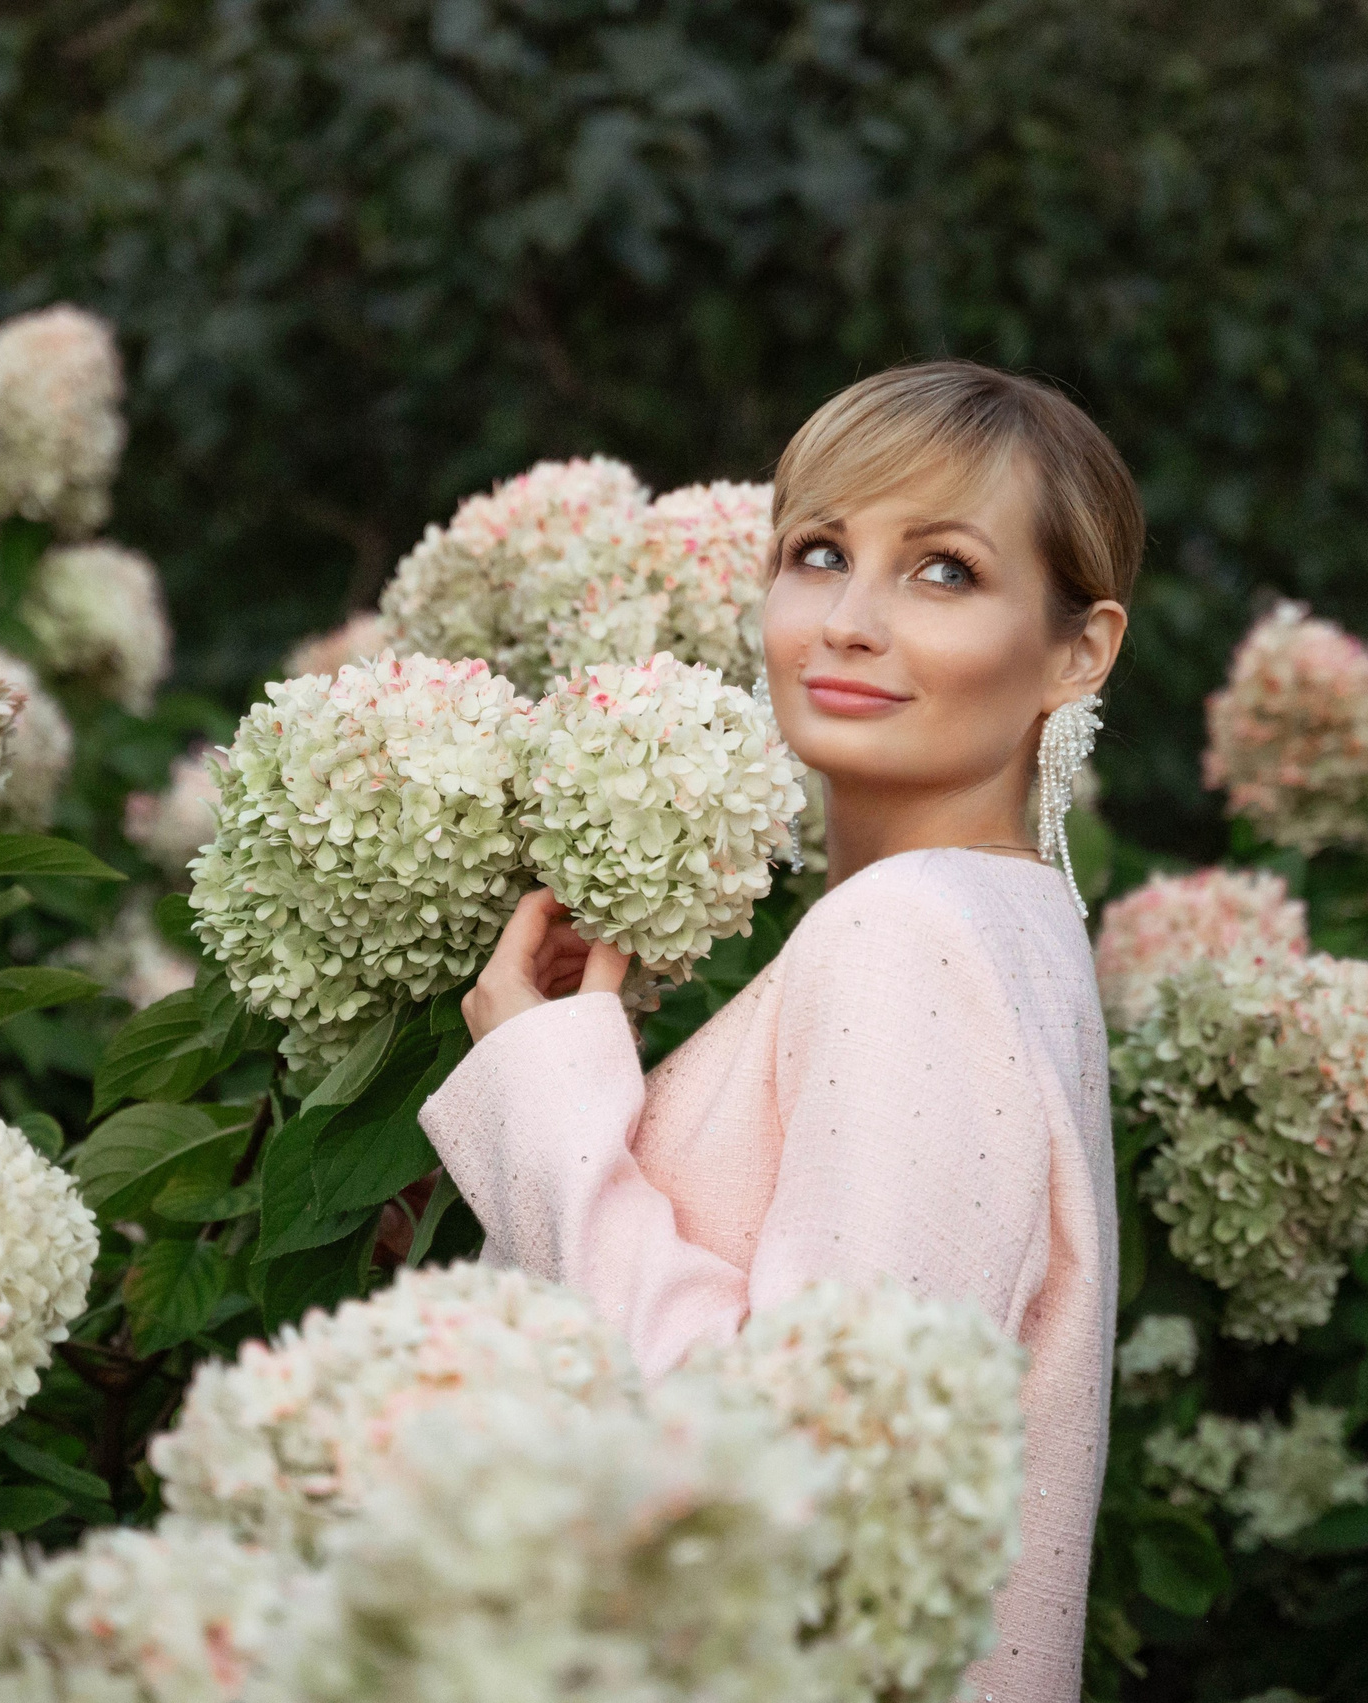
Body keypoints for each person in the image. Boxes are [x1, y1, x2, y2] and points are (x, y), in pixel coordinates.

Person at [417, 358, 1137, 1703]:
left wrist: (544, 1098)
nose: (849, 623)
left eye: (944, 572)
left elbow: (786, 1481)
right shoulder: (1019, 926)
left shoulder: (909, 933)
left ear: (1077, 651)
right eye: (820, 553)